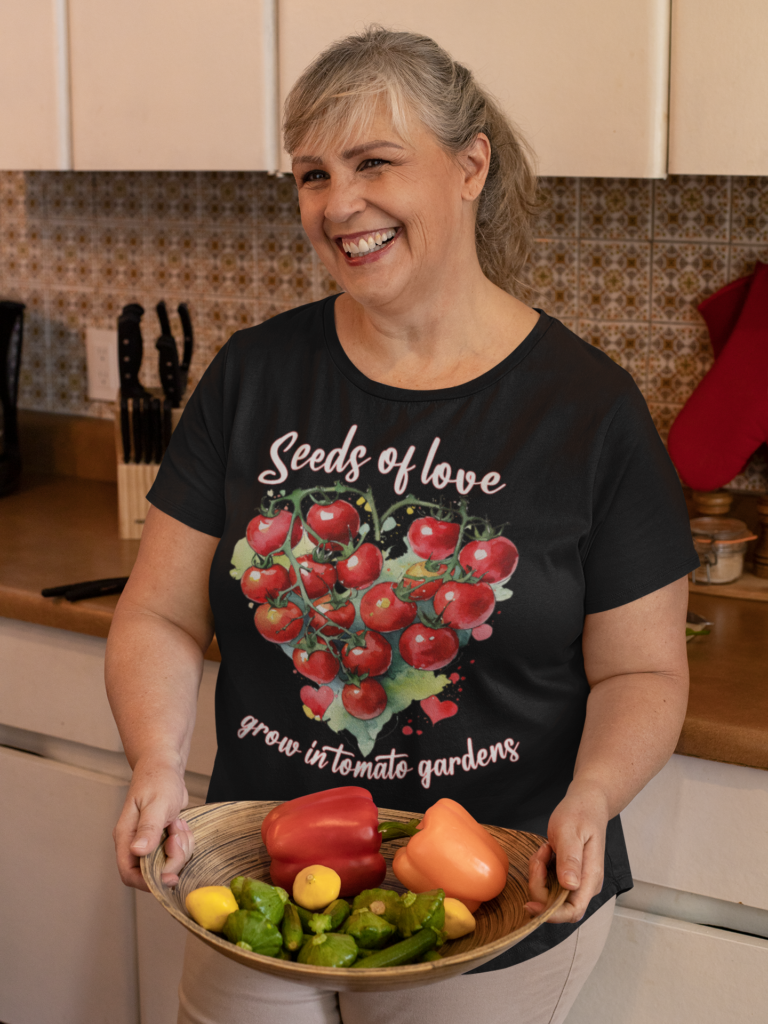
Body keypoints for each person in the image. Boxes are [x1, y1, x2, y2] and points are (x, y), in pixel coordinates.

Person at [106, 26, 699, 1024]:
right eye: (312, 174)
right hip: (265, 874)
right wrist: (158, 763)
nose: (339, 205)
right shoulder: (253, 376)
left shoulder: (589, 409)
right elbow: (159, 614)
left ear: (471, 166)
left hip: (493, 892)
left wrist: (593, 794)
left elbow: (642, 670)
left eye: (375, 162)